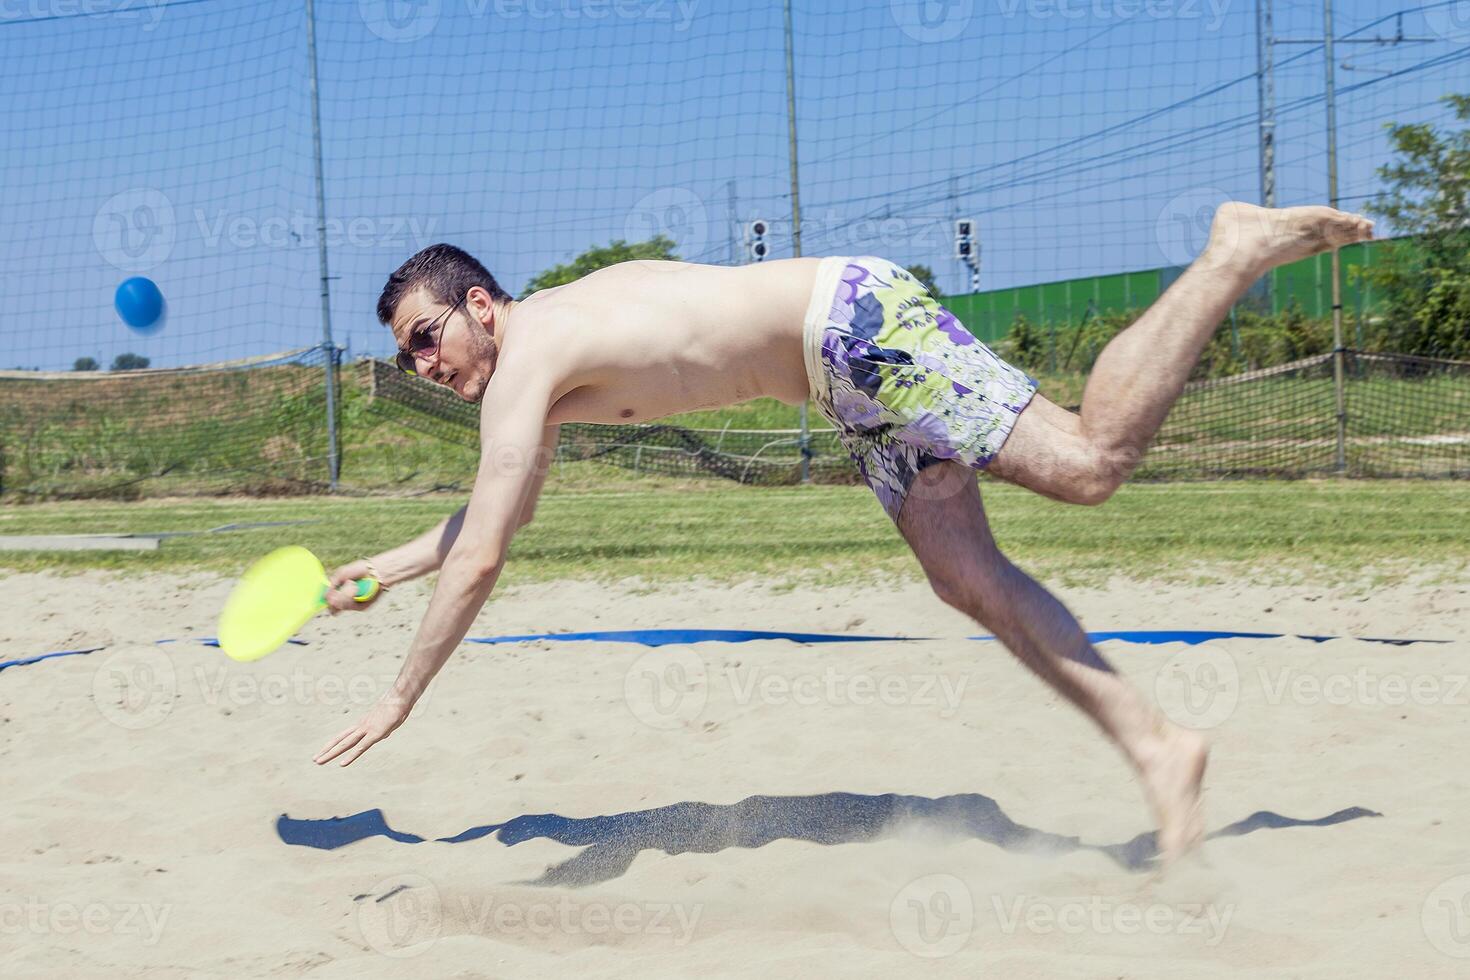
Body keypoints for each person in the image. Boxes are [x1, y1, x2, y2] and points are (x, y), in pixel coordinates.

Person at [313, 202, 1374, 863]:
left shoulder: (531, 356)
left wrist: (399, 694)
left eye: (425, 337)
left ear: (482, 305)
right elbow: (495, 514)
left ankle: (1231, 252)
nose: (423, 367)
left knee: (1089, 463)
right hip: (843, 380)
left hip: (850, 328)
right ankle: (1160, 746)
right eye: (407, 356)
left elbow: (492, 549)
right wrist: (391, 570)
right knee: (963, 573)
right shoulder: (533, 369)